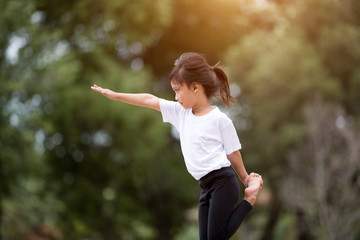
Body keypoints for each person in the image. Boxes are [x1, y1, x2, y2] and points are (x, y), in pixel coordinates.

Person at [91, 52, 263, 240]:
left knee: (216, 238)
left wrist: (246, 178)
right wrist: (116, 96)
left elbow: (232, 153)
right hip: (205, 186)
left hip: (223, 182)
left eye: (177, 90)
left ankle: (249, 200)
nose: (175, 97)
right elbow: (150, 100)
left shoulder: (220, 120)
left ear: (195, 87)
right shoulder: (180, 113)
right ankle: (248, 199)